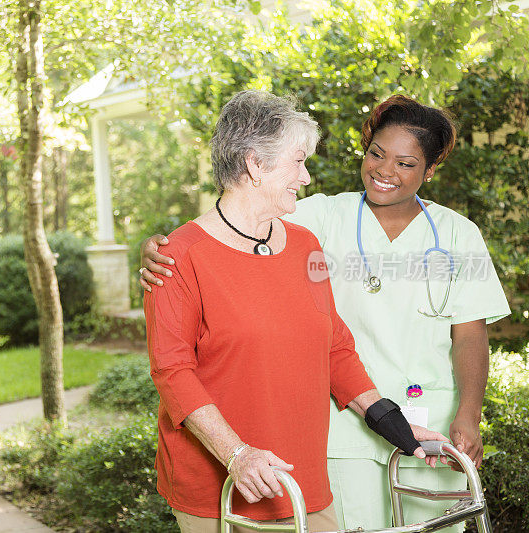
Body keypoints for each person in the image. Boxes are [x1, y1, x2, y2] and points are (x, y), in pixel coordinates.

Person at [140, 94, 511, 530]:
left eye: (407, 163)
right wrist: (237, 454)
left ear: (428, 170)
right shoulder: (186, 254)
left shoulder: (302, 243)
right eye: (298, 162)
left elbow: (335, 347)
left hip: (301, 469)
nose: (307, 176)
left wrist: (398, 428)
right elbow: (172, 368)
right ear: (256, 164)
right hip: (224, 476)